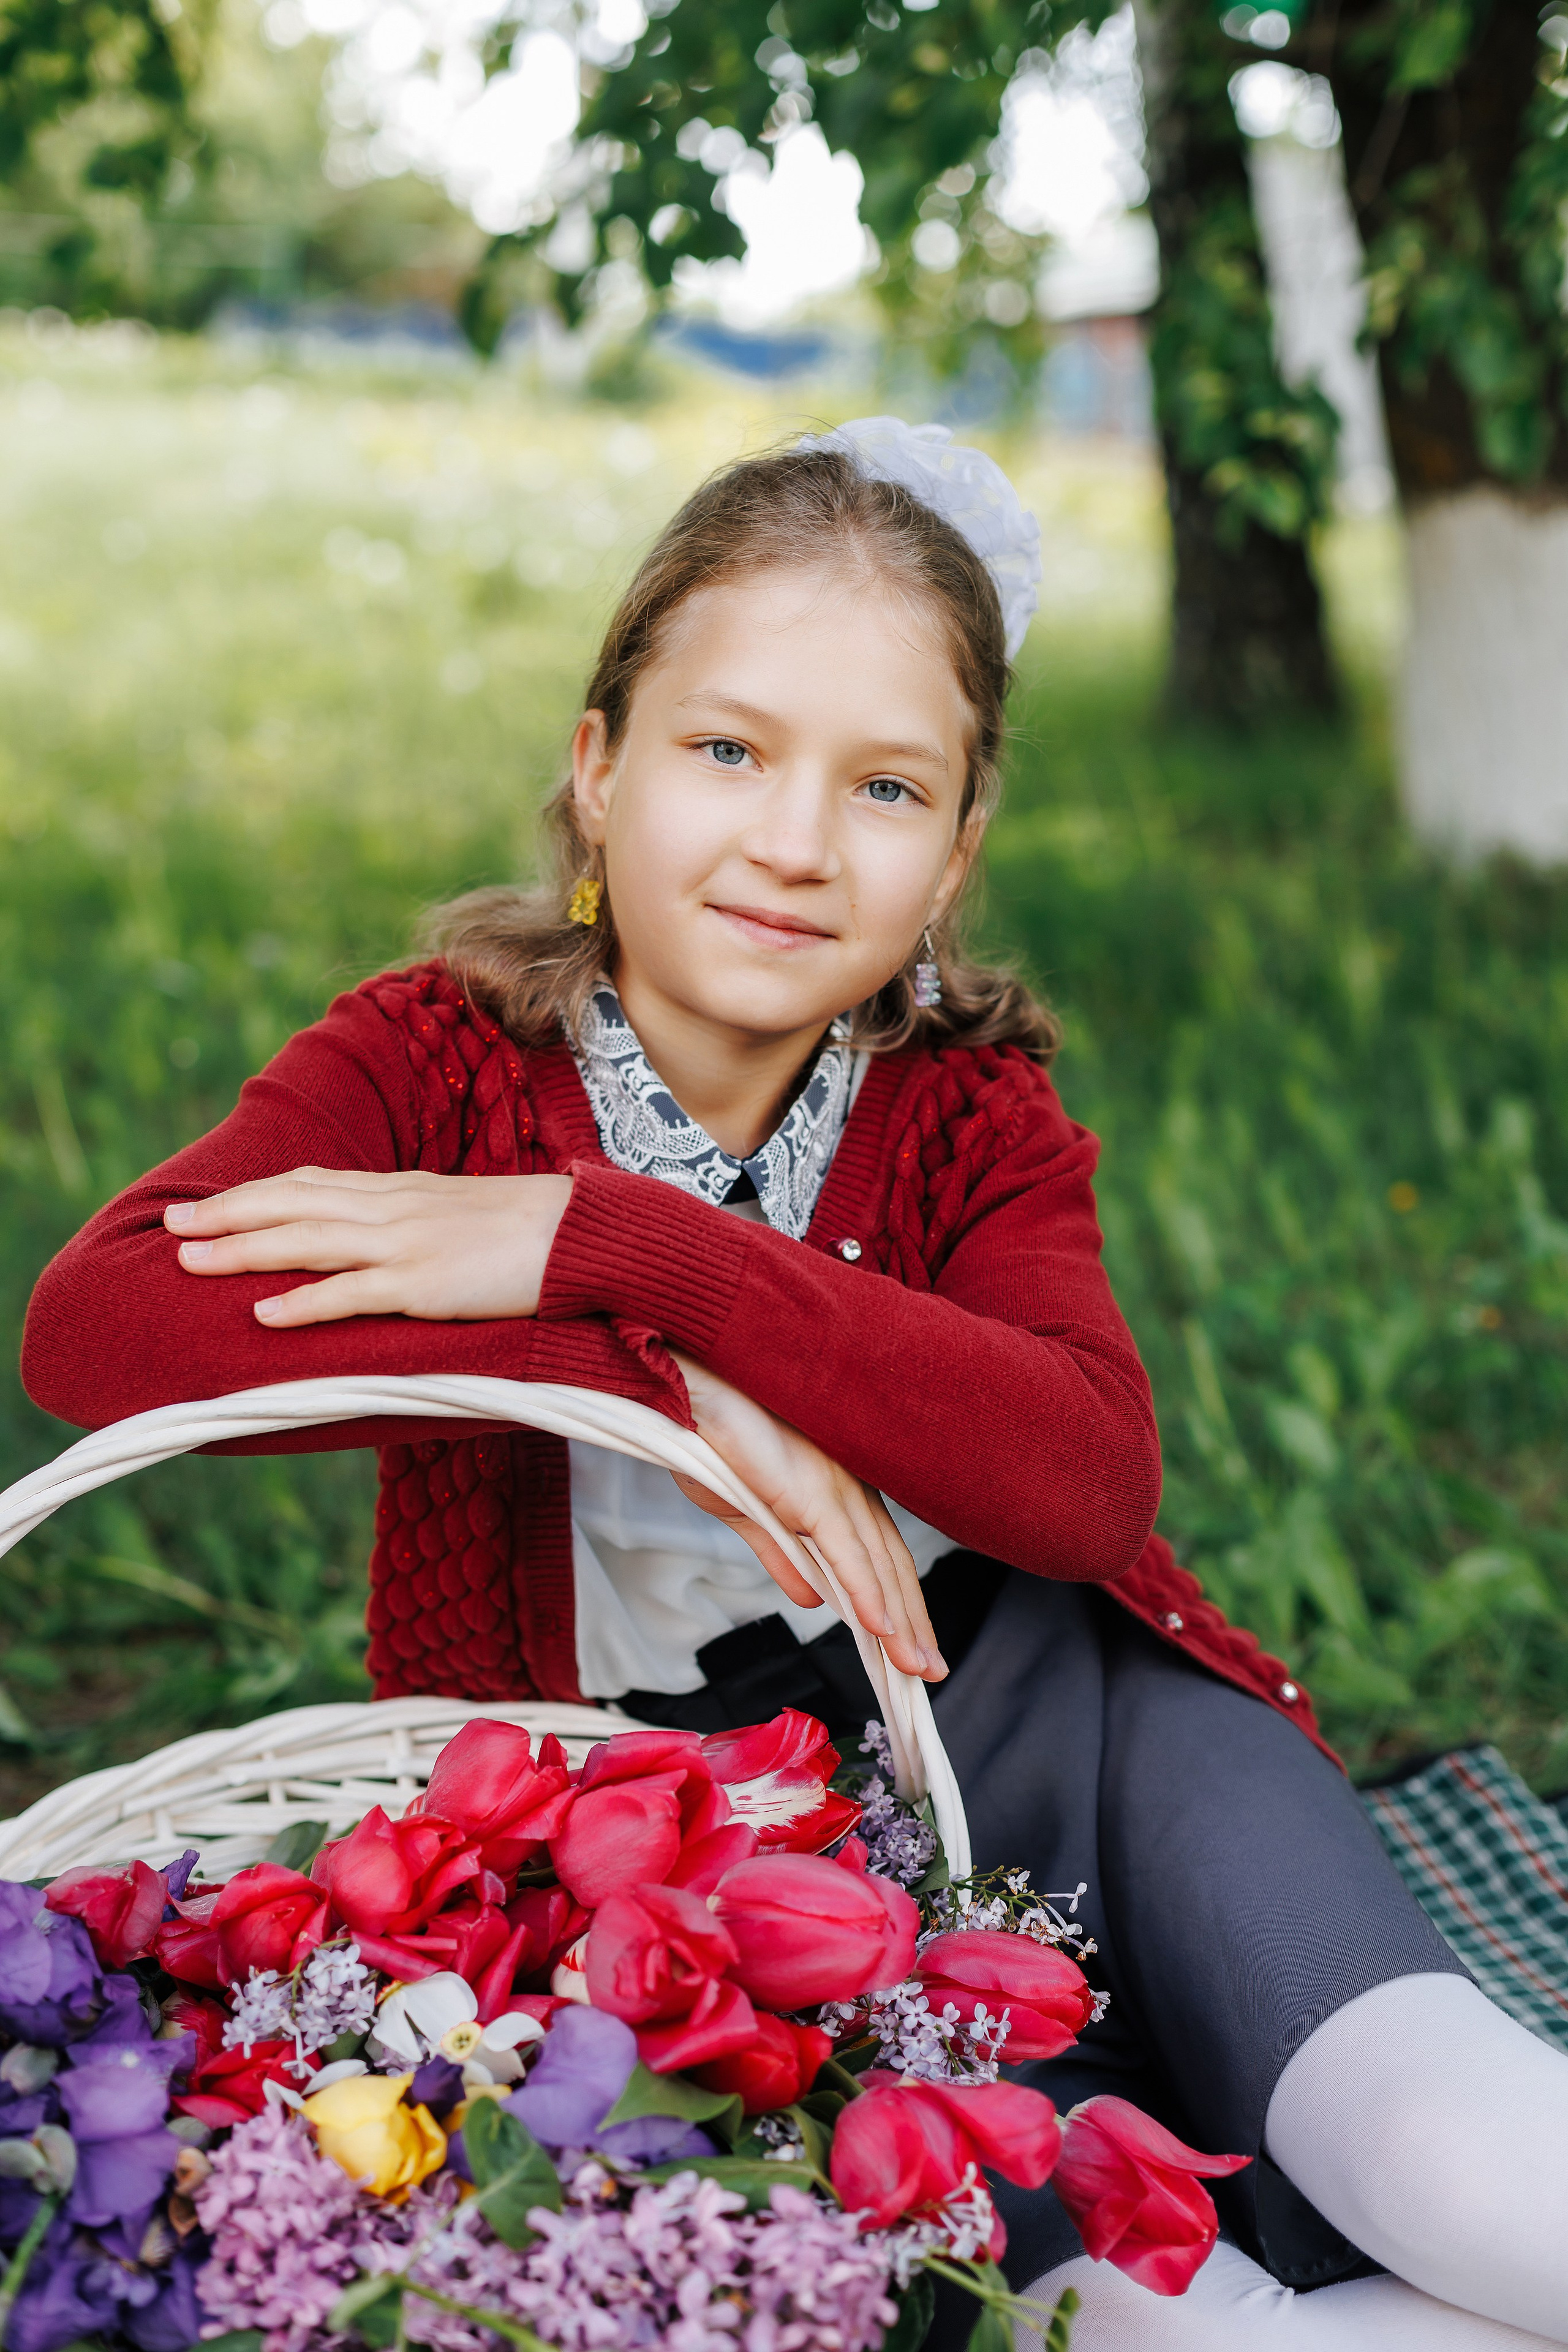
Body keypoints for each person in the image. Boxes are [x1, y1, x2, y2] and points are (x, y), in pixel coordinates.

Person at [21, 421, 1568, 2348]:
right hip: (708, 1862)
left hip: (1077, 1722)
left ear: (958, 851)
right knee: (1161, 2319)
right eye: (728, 751)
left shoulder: (966, 1110)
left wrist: (617, 1248)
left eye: (888, 786)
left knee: (1466, 2172)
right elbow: (101, 1326)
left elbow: (1085, 1482)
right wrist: (665, 1389)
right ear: (600, 770)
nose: (796, 843)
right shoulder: (433, 1063)